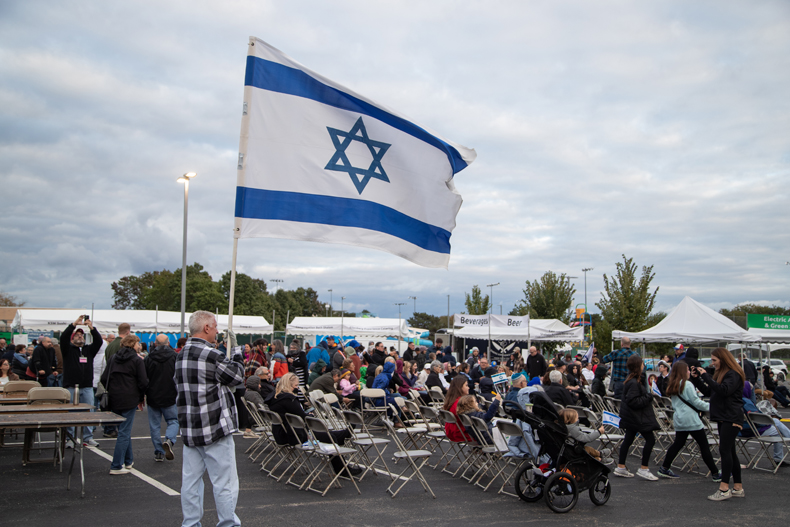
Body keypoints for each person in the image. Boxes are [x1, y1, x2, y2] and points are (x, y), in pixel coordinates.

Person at [175, 311, 245, 527]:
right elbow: (237, 376)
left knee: (191, 482)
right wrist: (237, 352)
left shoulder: (181, 355)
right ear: (206, 328)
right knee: (224, 482)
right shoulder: (211, 355)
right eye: (215, 327)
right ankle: (228, 523)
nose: (216, 331)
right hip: (214, 427)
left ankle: (191, 523)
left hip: (190, 427)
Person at [267, 372, 362, 476]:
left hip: (281, 433)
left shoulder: (276, 398)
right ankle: (343, 470)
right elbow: (303, 417)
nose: (297, 388)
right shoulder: (289, 399)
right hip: (294, 436)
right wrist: (310, 415)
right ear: (288, 385)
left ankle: (343, 435)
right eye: (296, 385)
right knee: (330, 438)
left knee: (329, 435)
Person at [694, 347, 745, 501]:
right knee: (730, 452)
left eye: (714, 360)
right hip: (725, 416)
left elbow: (724, 391)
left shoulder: (733, 374)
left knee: (725, 451)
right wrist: (697, 378)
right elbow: (709, 392)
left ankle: (724, 488)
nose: (712, 363)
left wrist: (706, 376)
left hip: (731, 416)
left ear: (723, 360)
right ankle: (738, 487)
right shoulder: (723, 374)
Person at [656, 361, 720, 480]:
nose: (689, 372)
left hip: (679, 418)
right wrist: (712, 407)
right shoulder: (687, 384)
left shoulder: (673, 384)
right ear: (683, 372)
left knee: (678, 444)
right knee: (704, 445)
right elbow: (696, 402)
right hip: (691, 419)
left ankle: (664, 467)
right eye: (687, 370)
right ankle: (715, 473)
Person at [101, 334, 148, 474]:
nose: (139, 346)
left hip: (114, 398)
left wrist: (113, 388)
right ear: (133, 344)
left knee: (123, 430)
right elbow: (143, 382)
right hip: (129, 398)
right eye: (138, 343)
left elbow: (104, 378)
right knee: (124, 432)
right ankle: (116, 465)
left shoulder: (113, 358)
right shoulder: (137, 360)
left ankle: (128, 460)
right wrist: (141, 397)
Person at [614, 354, 659, 480]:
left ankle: (621, 466)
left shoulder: (631, 380)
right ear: (638, 366)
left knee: (628, 439)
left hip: (632, 417)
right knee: (650, 440)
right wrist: (648, 397)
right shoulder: (634, 383)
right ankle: (644, 468)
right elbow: (633, 401)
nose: (644, 365)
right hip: (638, 417)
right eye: (642, 363)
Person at [60, 316, 102, 448]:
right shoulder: (67, 350)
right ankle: (70, 438)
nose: (80, 336)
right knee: (70, 413)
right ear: (72, 338)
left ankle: (88, 437)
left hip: (87, 386)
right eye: (77, 335)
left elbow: (99, 341)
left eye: (82, 335)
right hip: (71, 386)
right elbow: (63, 338)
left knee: (89, 412)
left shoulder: (89, 350)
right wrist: (74, 325)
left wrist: (91, 328)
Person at [144, 334, 179, 463]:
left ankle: (159, 451)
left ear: (155, 343)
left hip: (153, 395)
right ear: (168, 343)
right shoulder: (175, 357)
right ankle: (169, 439)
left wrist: (143, 394)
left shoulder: (148, 358)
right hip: (170, 394)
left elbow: (144, 378)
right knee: (173, 421)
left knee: (154, 426)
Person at [740, 382, 790, 467]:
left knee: (776, 428)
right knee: (777, 426)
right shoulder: (747, 402)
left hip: (737, 431)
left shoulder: (734, 401)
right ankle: (778, 458)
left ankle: (778, 458)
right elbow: (758, 420)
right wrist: (767, 422)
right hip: (751, 430)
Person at [443, 376, 473, 442]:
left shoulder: (451, 401)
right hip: (462, 434)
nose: (468, 387)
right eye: (466, 385)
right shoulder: (460, 403)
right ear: (460, 387)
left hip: (451, 432)